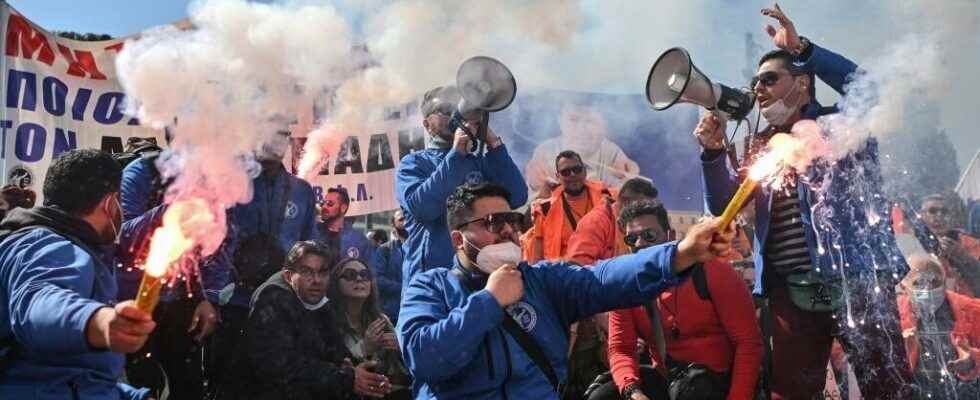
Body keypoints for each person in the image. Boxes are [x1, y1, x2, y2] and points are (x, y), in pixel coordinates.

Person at [696, 4, 913, 398]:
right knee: (791, 393)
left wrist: (805, 49)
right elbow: (722, 208)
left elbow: (868, 90)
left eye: (768, 78)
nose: (757, 89)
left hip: (858, 281)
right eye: (755, 81)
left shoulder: (841, 126)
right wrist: (712, 154)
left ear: (803, 83)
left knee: (890, 389)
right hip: (791, 291)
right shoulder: (758, 146)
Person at [397, 183, 736, 399]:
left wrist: (680, 254)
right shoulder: (430, 287)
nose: (507, 231)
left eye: (512, 221)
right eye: (491, 223)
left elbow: (604, 278)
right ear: (458, 239)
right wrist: (488, 302)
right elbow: (422, 359)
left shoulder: (543, 281)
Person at [0, 149, 157, 399]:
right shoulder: (52, 247)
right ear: (110, 202)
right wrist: (100, 321)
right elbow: (39, 301)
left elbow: (70, 374)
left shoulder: (63, 243)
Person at [588, 200, 762, 400]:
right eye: (631, 239)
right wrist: (632, 391)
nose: (640, 244)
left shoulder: (712, 269)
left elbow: (748, 343)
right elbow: (621, 349)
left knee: (692, 391)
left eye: (649, 235)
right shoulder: (624, 285)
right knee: (601, 396)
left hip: (715, 384)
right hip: (669, 380)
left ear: (670, 235)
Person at [210, 129, 321, 390]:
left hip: (283, 302)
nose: (275, 141)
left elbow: (310, 245)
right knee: (229, 383)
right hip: (235, 302)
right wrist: (212, 296)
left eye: (282, 135)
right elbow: (213, 243)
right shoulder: (230, 183)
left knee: (277, 383)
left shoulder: (301, 190)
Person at [117, 133, 219, 400]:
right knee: (147, 386)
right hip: (137, 302)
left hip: (181, 302)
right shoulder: (141, 172)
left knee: (188, 387)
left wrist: (206, 298)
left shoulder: (208, 180)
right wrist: (169, 210)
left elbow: (209, 247)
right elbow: (123, 234)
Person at [396, 85, 528, 292]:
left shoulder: (480, 162)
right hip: (432, 280)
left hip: (482, 278)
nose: (454, 115)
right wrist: (456, 153)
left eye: (456, 108)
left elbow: (517, 196)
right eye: (444, 111)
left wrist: (494, 144)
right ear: (427, 124)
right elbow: (424, 208)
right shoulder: (413, 163)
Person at [220, 241, 388, 400]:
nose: (316, 280)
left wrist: (351, 368)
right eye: (307, 272)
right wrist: (346, 377)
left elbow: (336, 352)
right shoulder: (273, 300)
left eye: (322, 272)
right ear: (288, 276)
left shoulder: (321, 304)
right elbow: (281, 367)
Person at [898, 254, 980, 399]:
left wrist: (973, 360)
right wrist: (897, 345)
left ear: (944, 282)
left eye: (934, 282)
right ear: (905, 287)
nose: (927, 289)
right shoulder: (891, 314)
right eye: (919, 283)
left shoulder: (973, 310)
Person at [329, 258, 412, 399]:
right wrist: (365, 348)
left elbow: (405, 366)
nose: (359, 279)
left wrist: (400, 346)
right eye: (350, 275)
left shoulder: (382, 319)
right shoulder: (328, 321)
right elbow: (331, 370)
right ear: (336, 284)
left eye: (365, 274)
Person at [525, 98, 640, 194]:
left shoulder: (610, 150)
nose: (581, 130)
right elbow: (534, 197)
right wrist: (535, 184)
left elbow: (627, 174)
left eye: (590, 121)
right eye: (573, 120)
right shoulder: (546, 151)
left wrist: (628, 180)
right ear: (560, 121)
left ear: (604, 125)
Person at [525, 150, 612, 263]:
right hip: (566, 275)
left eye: (577, 169)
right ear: (557, 176)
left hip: (604, 270)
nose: (572, 175)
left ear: (584, 170)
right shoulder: (545, 209)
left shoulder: (607, 197)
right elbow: (537, 259)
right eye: (565, 172)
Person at [566, 178, 660, 266]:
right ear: (626, 203)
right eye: (642, 208)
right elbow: (577, 266)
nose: (648, 213)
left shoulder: (636, 223)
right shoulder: (594, 222)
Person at [920, 194, 980, 295]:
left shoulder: (967, 242)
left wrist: (963, 255)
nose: (939, 216)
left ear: (950, 215)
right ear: (922, 216)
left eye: (944, 211)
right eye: (933, 211)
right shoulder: (916, 247)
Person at [319, 187, 374, 262]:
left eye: (330, 203)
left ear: (343, 208)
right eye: (322, 203)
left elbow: (368, 271)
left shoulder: (359, 240)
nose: (324, 207)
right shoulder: (311, 233)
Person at [372, 209, 407, 323]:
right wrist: (403, 288)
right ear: (393, 224)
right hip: (392, 315)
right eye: (401, 219)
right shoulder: (384, 250)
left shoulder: (419, 248)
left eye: (407, 218)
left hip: (414, 312)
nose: (405, 223)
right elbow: (378, 279)